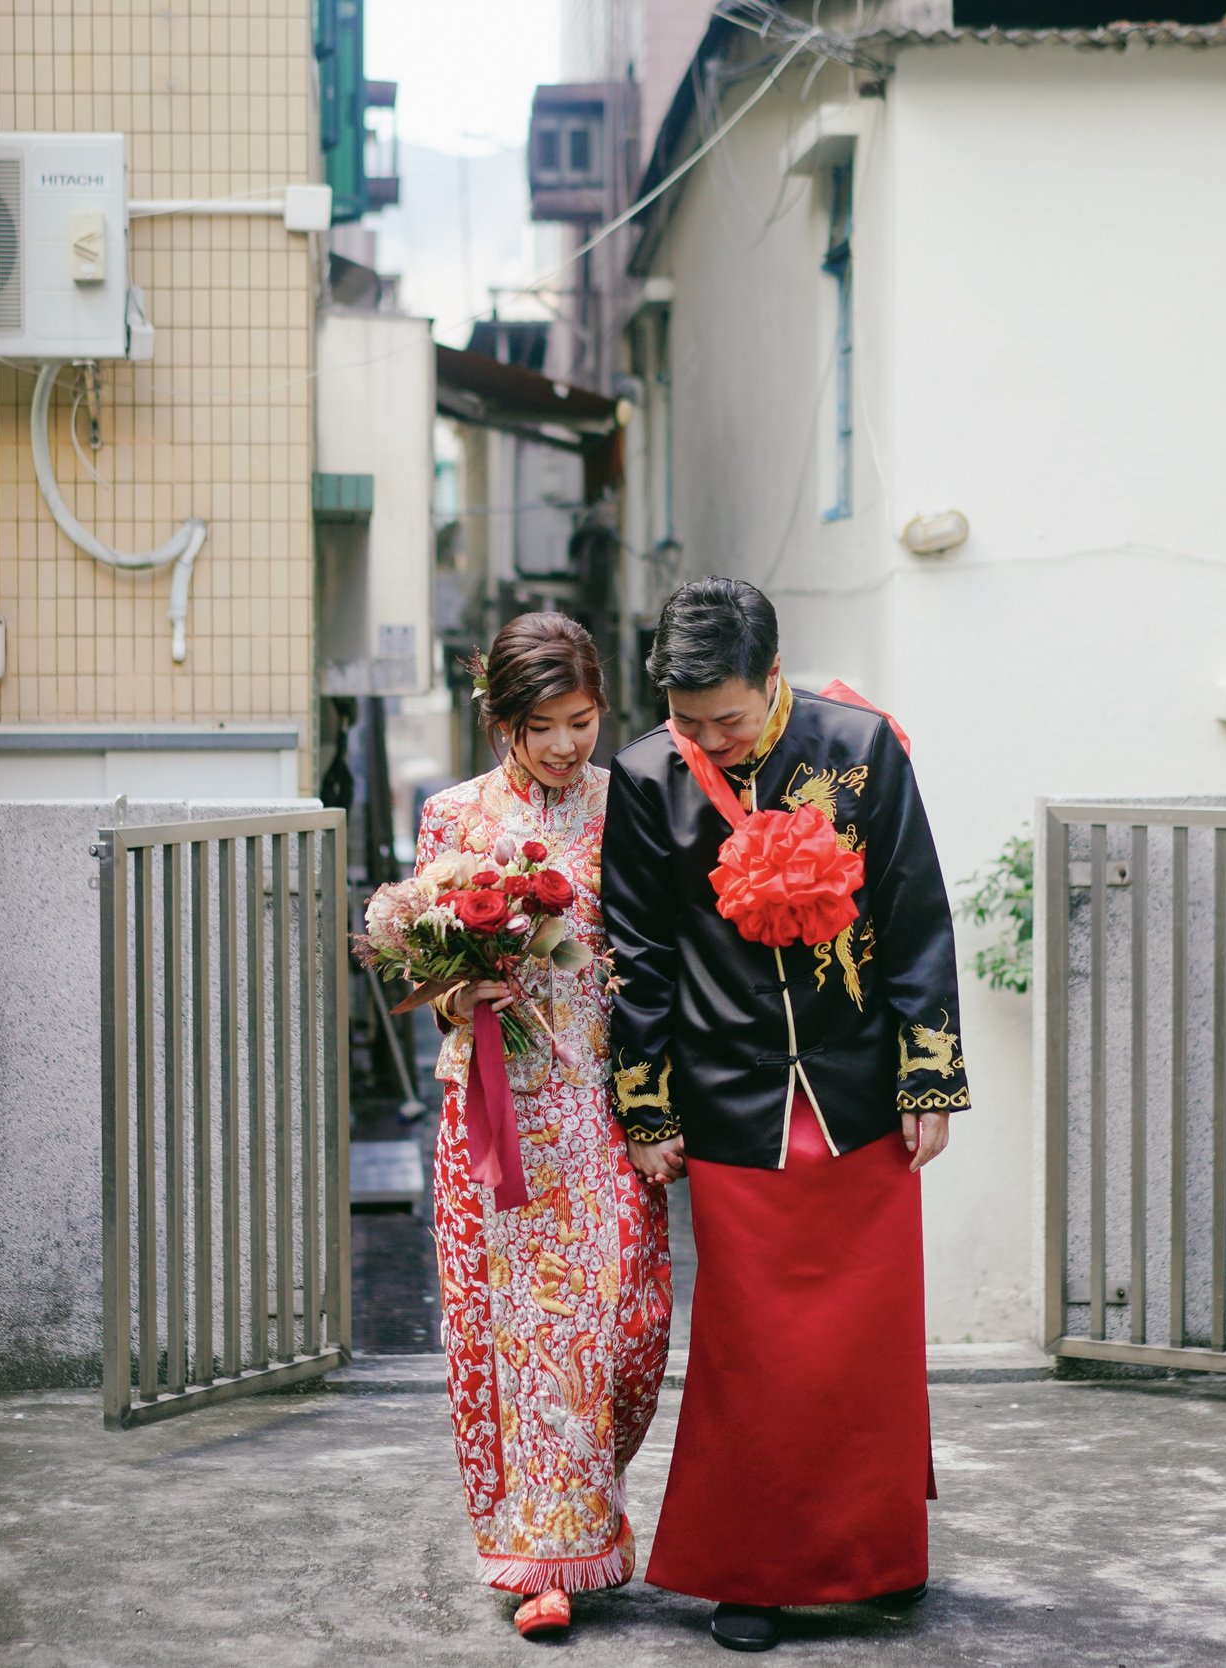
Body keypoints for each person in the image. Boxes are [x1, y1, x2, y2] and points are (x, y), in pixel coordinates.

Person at [602, 577, 967, 1654]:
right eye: (687, 720)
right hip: (729, 1102)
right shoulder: (644, 776)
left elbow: (913, 912)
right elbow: (638, 955)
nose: (709, 740)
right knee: (750, 1351)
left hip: (857, 1094)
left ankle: (877, 1558)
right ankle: (751, 1571)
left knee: (866, 1344)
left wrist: (928, 1078)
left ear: (774, 679)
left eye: (729, 718)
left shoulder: (861, 746)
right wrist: (645, 1105)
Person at [413, 611, 674, 1641]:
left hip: (604, 1107)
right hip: (496, 1114)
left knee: (632, 1330)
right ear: (502, 722)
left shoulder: (630, 806)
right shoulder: (453, 819)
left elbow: (652, 955)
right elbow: (422, 979)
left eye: (584, 719)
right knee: (524, 1337)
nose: (570, 744)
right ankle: (543, 1560)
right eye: (546, 726)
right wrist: (463, 975)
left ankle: (579, 1503)